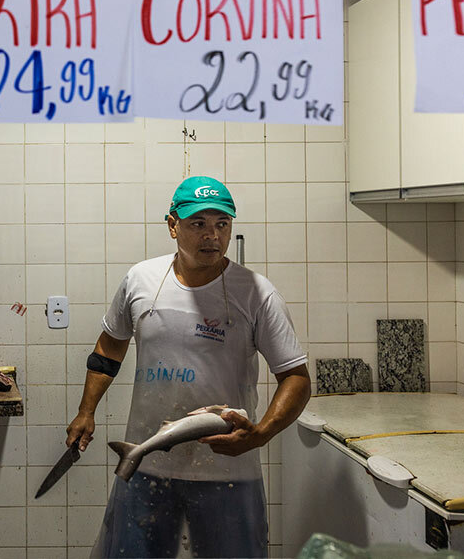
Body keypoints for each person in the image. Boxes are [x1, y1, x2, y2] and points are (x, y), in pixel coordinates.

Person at [70, 176, 311, 558]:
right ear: (172, 225)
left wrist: (261, 434)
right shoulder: (141, 280)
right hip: (146, 463)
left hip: (228, 473)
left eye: (222, 224)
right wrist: (86, 411)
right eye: (198, 224)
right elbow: (110, 346)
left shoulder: (257, 293)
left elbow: (295, 378)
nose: (211, 236)